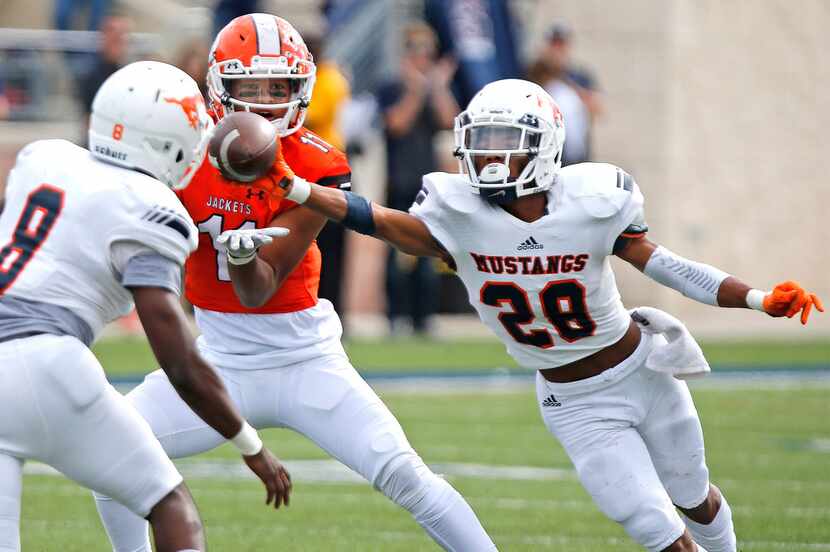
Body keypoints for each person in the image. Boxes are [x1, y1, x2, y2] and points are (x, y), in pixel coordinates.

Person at [269, 79, 823, 552]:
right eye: (480, 144)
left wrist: (756, 298)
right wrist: (296, 187)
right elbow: (377, 219)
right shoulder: (456, 215)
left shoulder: (592, 201)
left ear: (545, 146)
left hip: (643, 372)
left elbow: (668, 267)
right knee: (654, 525)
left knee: (694, 497)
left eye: (503, 144)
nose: (487, 158)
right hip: (573, 400)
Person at [93, 14, 497, 552]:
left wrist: (240, 257)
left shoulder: (316, 162)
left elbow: (258, 287)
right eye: (250, 87)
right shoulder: (184, 155)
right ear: (221, 89)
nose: (263, 101)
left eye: (277, 86)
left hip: (307, 360)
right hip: (217, 361)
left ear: (300, 89)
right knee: (114, 458)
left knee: (407, 477)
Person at [0, 61, 290, 552]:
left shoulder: (43, 157)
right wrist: (249, 442)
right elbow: (177, 357)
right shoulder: (152, 206)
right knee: (169, 504)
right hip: (43, 360)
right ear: (168, 143)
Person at [377, 21, 459, 335]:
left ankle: (423, 320)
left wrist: (436, 87)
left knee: (428, 255)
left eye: (427, 51)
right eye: (416, 50)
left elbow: (450, 120)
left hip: (428, 185)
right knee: (396, 257)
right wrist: (415, 89)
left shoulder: (432, 89)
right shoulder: (392, 87)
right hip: (399, 181)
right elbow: (396, 124)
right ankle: (395, 318)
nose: (422, 58)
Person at [303, 31, 351, 315]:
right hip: (309, 165)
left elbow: (310, 115)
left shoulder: (330, 78)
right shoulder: (318, 76)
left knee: (330, 248)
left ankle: (333, 308)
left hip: (327, 167)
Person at [528, 22, 603, 165]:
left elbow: (596, 109)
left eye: (560, 45)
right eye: (554, 44)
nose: (557, 50)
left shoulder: (579, 76)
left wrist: (567, 84)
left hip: (576, 151)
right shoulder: (536, 73)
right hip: (545, 151)